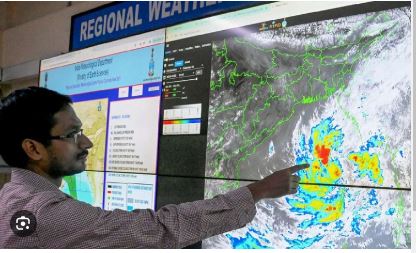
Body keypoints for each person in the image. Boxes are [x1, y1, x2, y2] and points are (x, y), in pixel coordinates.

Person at [0, 86, 308, 248]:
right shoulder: (47, 214)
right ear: (33, 148)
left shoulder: (12, 196)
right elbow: (157, 230)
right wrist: (258, 191)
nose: (87, 143)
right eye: (71, 135)